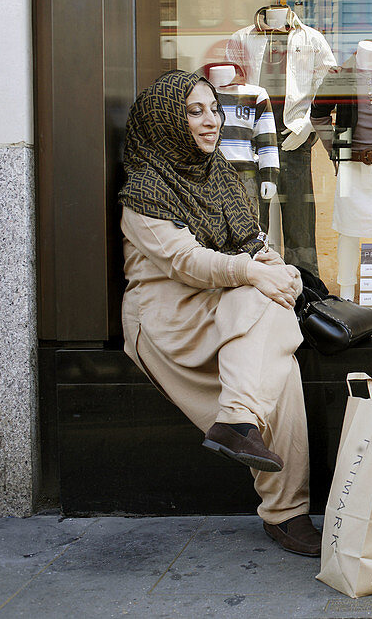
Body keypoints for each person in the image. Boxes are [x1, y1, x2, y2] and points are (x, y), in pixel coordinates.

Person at [118, 70, 320, 556]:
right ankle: (285, 510)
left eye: (214, 109)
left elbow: (253, 240)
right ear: (165, 120)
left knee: (280, 364)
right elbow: (187, 262)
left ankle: (241, 428)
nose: (211, 122)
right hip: (167, 317)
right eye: (194, 111)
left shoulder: (219, 175)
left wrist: (273, 266)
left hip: (223, 304)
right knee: (262, 304)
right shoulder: (144, 192)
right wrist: (257, 274)